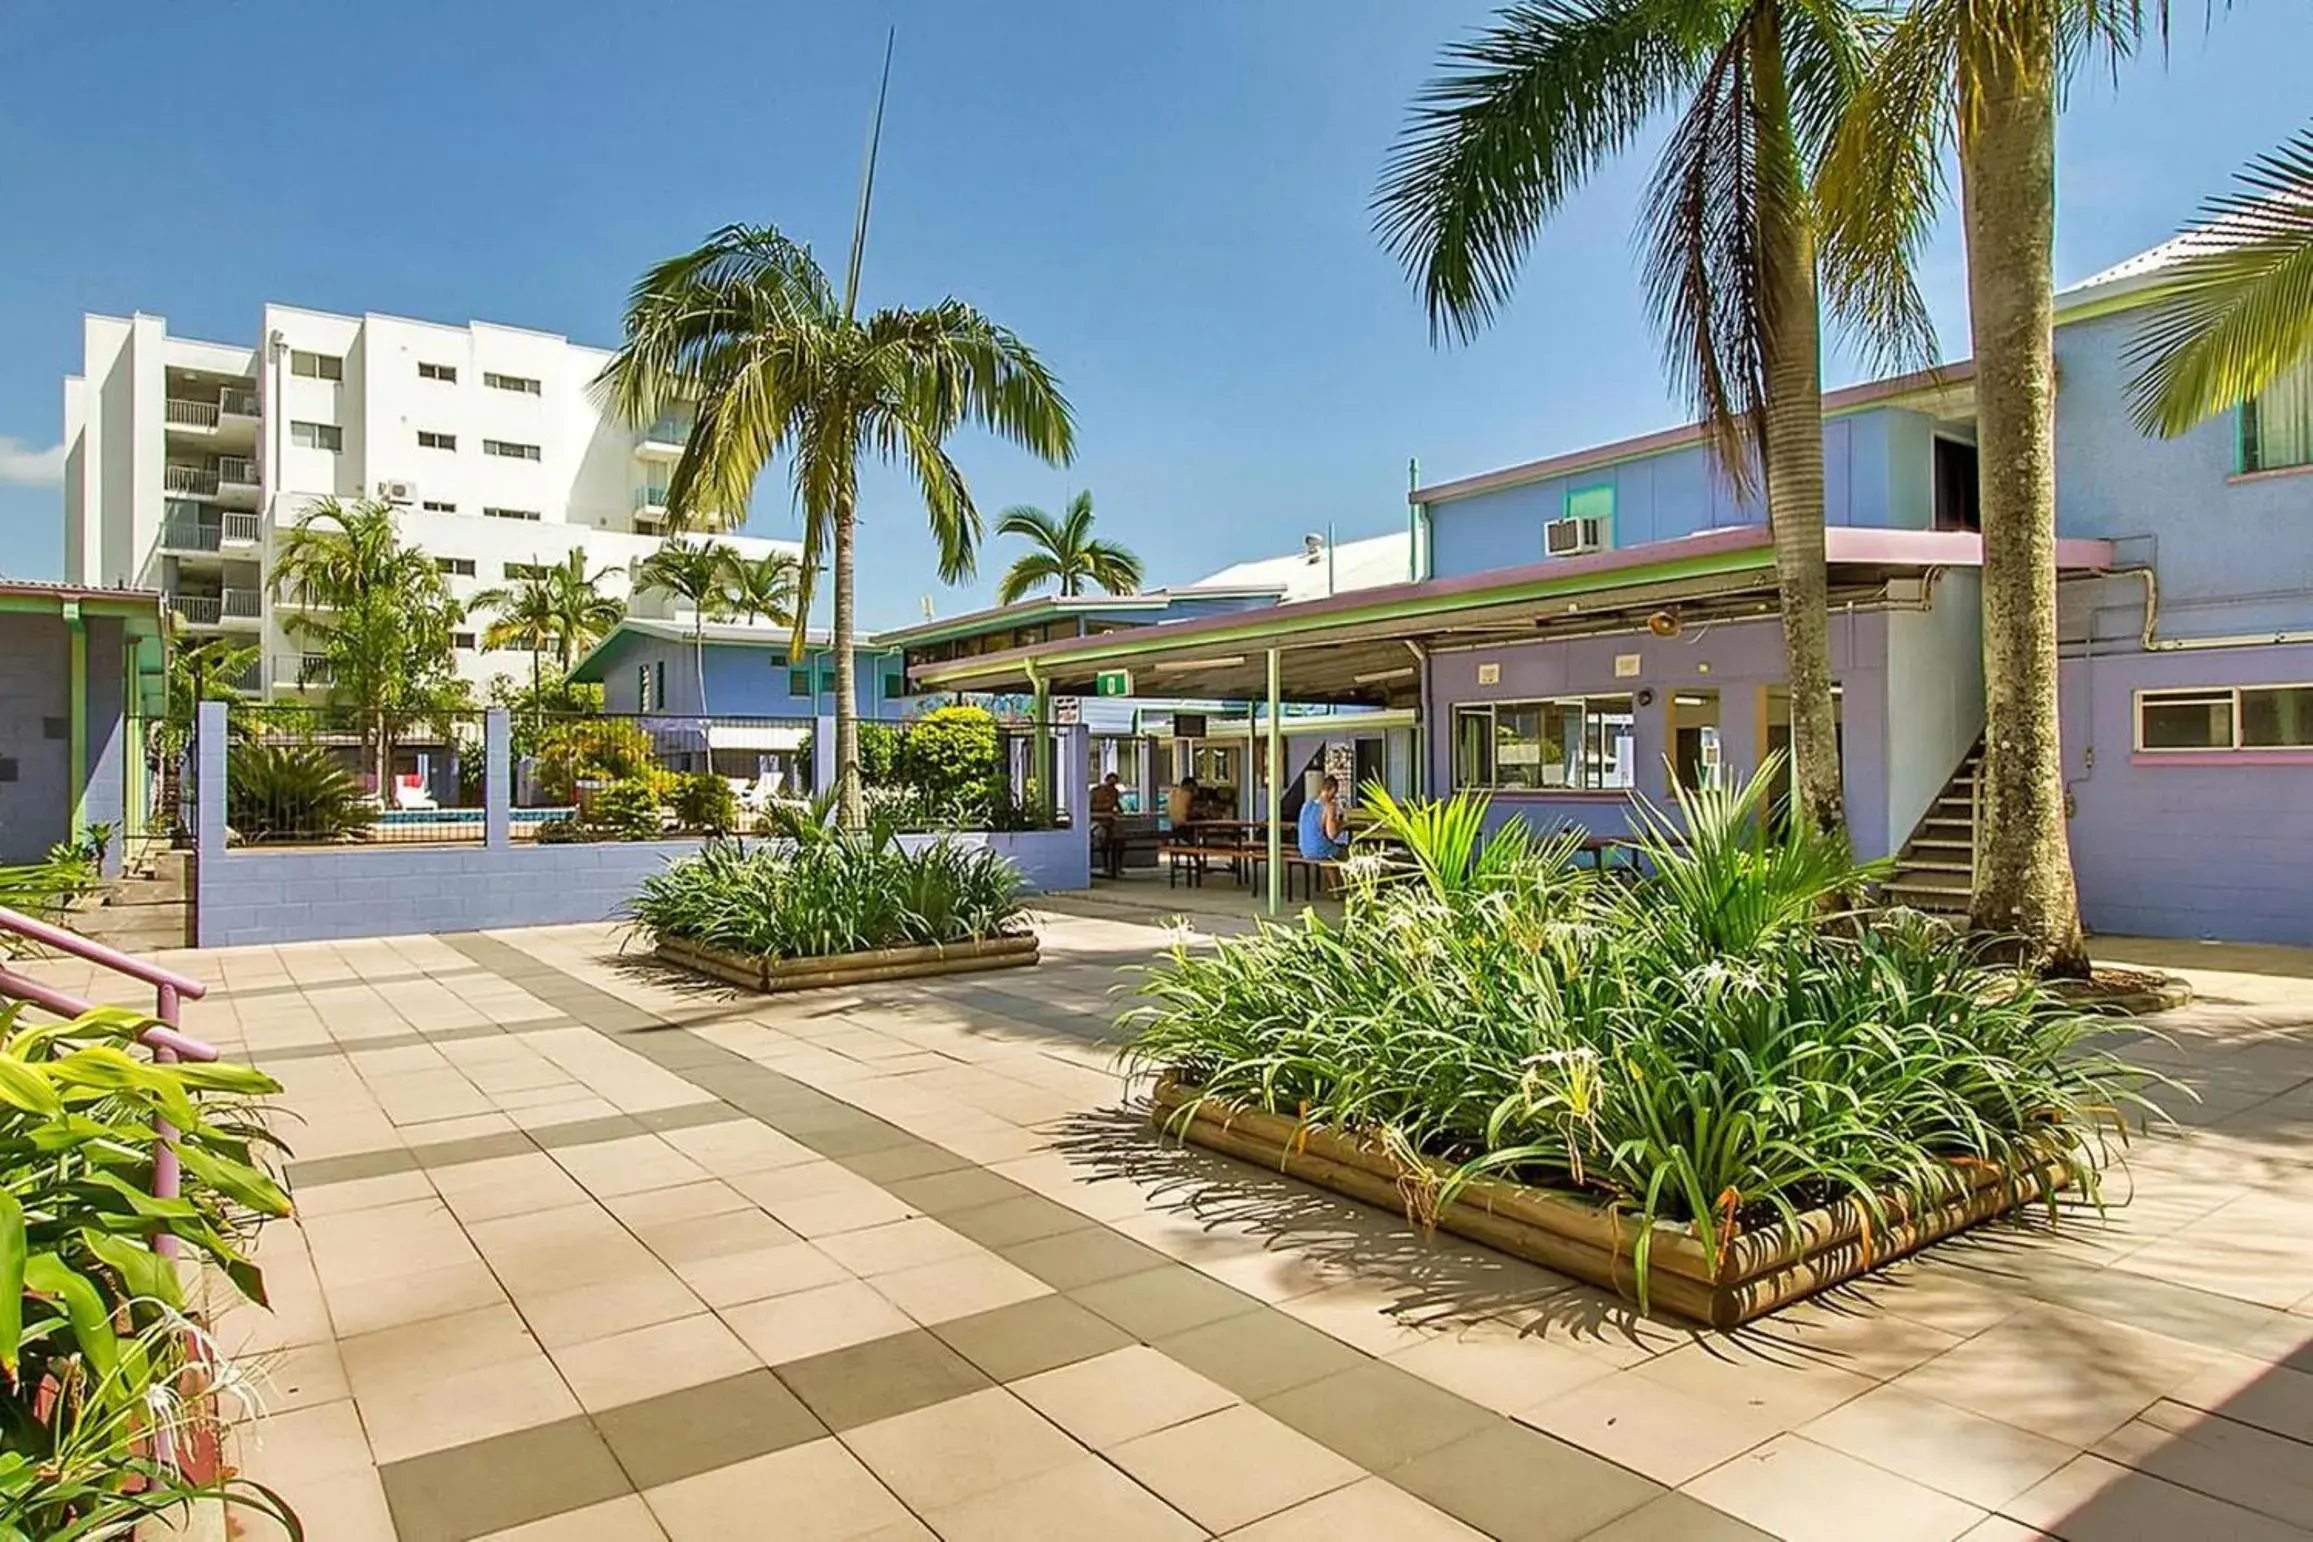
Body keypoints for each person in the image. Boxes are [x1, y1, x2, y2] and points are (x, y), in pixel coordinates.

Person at [1297, 774, 1351, 861]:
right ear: (1332, 790)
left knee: (1333, 847)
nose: (1334, 797)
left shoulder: (1306, 804)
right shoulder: (1328, 806)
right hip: (1319, 850)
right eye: (1335, 793)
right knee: (1348, 853)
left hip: (1305, 851)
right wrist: (1343, 823)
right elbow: (1332, 834)